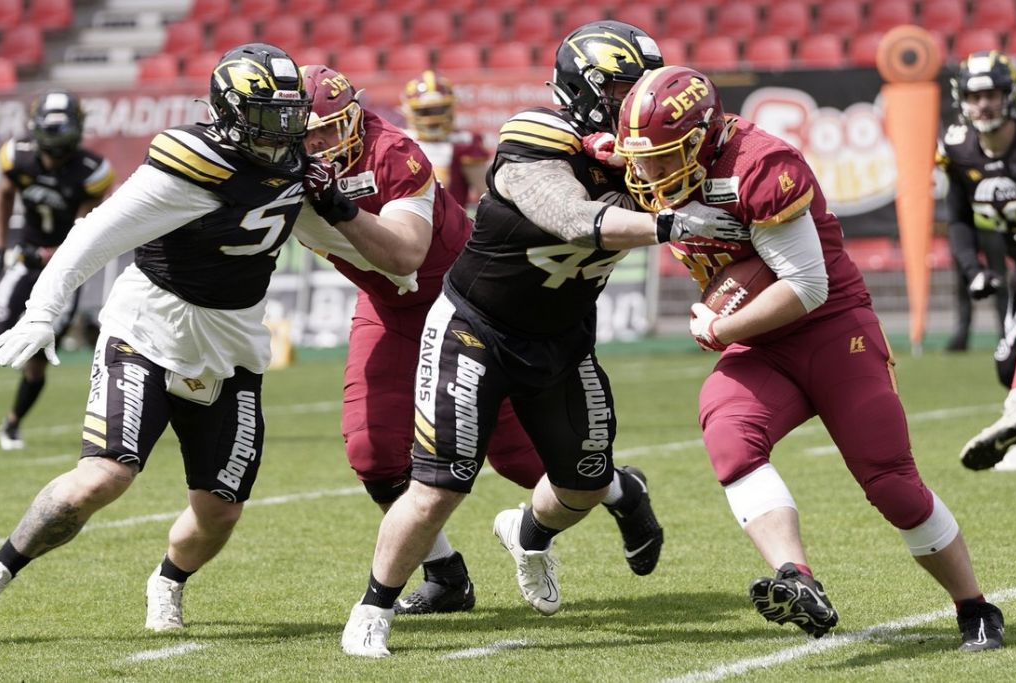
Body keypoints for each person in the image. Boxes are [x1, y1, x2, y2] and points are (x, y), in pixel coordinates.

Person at [330, 21, 751, 658]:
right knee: (440, 484)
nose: (638, 100)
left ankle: (527, 532)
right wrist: (670, 223)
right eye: (623, 89)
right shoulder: (535, 135)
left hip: (563, 336)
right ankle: (373, 608)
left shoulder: (653, 151)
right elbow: (574, 219)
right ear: (585, 90)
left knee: (584, 481)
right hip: (477, 327)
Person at [611, 64, 1003, 651]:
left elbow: (806, 286)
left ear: (701, 137)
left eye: (663, 157)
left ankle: (974, 606)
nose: (648, 173)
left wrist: (720, 328)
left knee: (891, 483)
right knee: (729, 434)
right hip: (760, 343)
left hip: (829, 329)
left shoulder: (761, 166)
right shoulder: (648, 160)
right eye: (641, 159)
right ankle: (797, 578)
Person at [0, 42, 362, 631]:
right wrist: (43, 310)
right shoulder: (191, 165)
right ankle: (3, 567)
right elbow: (94, 234)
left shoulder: (300, 169)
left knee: (220, 511)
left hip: (233, 347)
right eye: (267, 115)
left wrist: (401, 270)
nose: (284, 130)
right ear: (231, 112)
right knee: (104, 476)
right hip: (148, 329)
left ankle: (168, 581)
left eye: (290, 114)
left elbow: (345, 242)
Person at [296, 63, 666, 616]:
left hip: (470, 304)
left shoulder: (391, 151)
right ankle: (444, 575)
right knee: (372, 451)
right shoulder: (269, 172)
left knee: (526, 462)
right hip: (389, 309)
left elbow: (406, 254)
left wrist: (334, 202)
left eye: (331, 127)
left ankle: (618, 490)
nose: (322, 144)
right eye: (308, 135)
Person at [0, 90, 115, 450]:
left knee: (37, 357)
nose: (56, 138)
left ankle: (12, 424)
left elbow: (83, 234)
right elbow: (5, 194)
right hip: (24, 258)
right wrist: (2, 249)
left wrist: (47, 255)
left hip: (66, 268)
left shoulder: (91, 171)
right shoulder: (17, 156)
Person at [943, 51, 1016, 473]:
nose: (984, 104)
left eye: (991, 94)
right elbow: (957, 218)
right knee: (1007, 365)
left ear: (1009, 95)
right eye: (974, 97)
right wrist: (973, 272)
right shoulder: (958, 149)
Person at [400, 70, 488, 212]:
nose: (433, 118)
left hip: (452, 222)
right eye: (425, 111)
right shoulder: (399, 141)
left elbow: (486, 193)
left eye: (439, 110)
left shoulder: (464, 143)